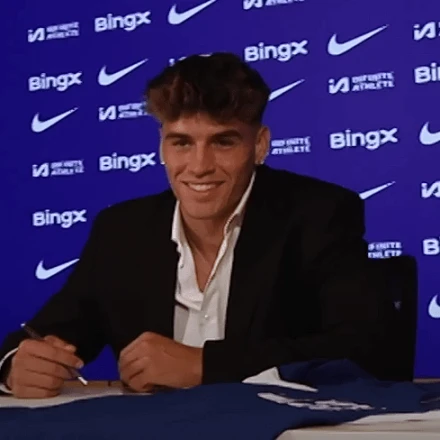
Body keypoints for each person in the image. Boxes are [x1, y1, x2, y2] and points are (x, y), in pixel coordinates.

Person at [0, 52, 386, 398]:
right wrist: (16, 365)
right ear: (162, 146)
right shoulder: (121, 230)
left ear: (260, 145)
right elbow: (44, 335)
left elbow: (367, 347)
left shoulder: (318, 213)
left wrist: (205, 366)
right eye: (182, 143)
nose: (199, 166)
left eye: (223, 142)